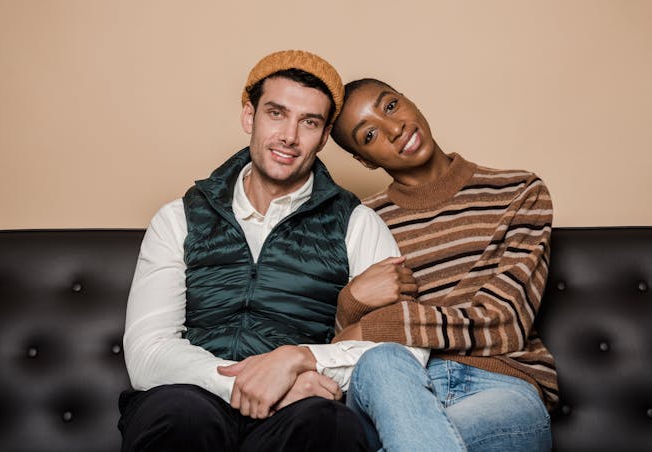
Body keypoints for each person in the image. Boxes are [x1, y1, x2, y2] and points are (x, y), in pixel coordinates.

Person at [118, 52, 424, 452]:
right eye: (276, 114)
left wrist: (301, 361)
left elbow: (405, 351)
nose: (289, 136)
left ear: (325, 134)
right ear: (250, 116)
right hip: (192, 393)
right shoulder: (178, 219)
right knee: (178, 416)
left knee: (329, 426)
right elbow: (147, 350)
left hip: (300, 407)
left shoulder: (356, 222)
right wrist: (251, 384)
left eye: (309, 122)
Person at [330, 78, 559, 452]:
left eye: (390, 106)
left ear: (410, 100)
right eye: (369, 135)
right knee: (381, 360)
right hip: (395, 392)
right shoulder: (362, 221)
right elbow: (342, 348)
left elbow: (506, 322)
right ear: (364, 160)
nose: (394, 128)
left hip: (502, 387)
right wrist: (351, 300)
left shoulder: (520, 192)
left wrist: (378, 324)